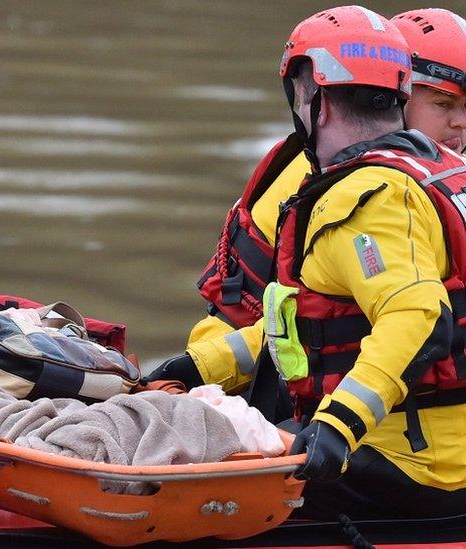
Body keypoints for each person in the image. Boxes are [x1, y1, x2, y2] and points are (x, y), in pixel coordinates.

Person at [180, 5, 466, 520]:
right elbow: (307, 324)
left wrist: (336, 428)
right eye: (443, 101)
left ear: (316, 100)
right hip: (409, 430)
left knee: (178, 461)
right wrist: (202, 366)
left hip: (411, 457)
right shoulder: (435, 178)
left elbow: (417, 322)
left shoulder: (360, 196)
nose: (459, 123)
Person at [147, 7, 466, 398]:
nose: (460, 123)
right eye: (443, 103)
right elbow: (287, 318)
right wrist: (198, 374)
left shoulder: (437, 174)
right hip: (266, 371)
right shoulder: (326, 181)